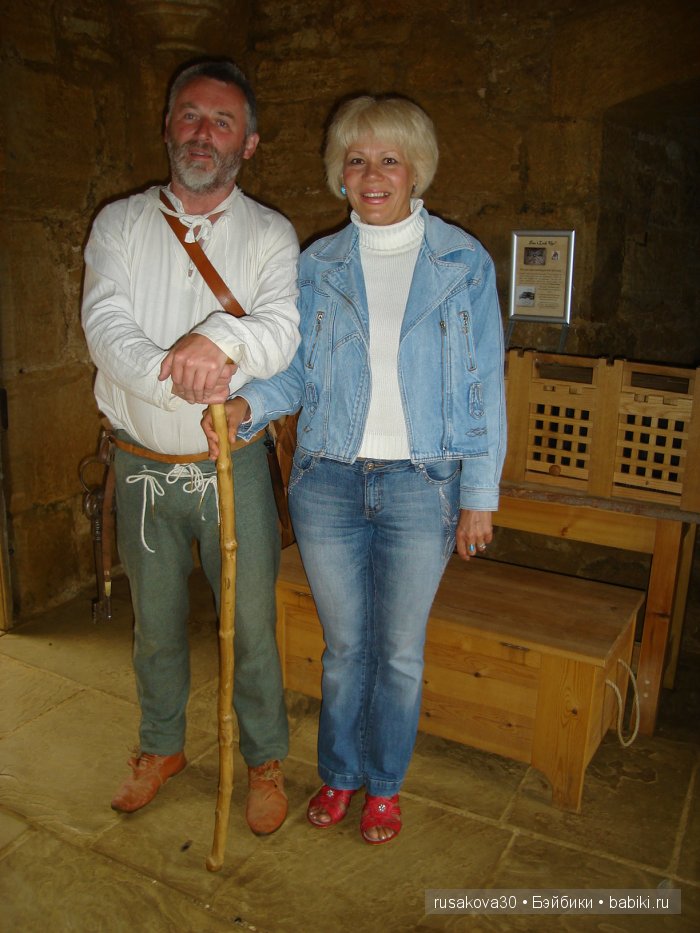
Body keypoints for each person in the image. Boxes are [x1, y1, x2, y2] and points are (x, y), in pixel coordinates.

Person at [202, 95, 506, 844]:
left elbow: (483, 386)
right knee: (344, 651)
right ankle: (339, 774)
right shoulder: (318, 264)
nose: (373, 175)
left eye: (389, 160)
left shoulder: (462, 262)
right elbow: (296, 371)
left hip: (423, 484)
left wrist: (479, 493)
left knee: (398, 653)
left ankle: (385, 786)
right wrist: (247, 406)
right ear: (340, 173)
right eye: (358, 159)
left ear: (416, 171)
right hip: (329, 483)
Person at [81, 59, 300, 835]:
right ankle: (160, 746)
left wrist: (219, 339)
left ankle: (264, 759)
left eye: (223, 121)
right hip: (141, 463)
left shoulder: (270, 234)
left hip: (231, 464)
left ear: (250, 143)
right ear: (168, 125)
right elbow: (105, 327)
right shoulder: (120, 224)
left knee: (252, 624)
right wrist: (177, 374)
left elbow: (280, 331)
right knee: (156, 620)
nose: (204, 133)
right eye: (191, 115)